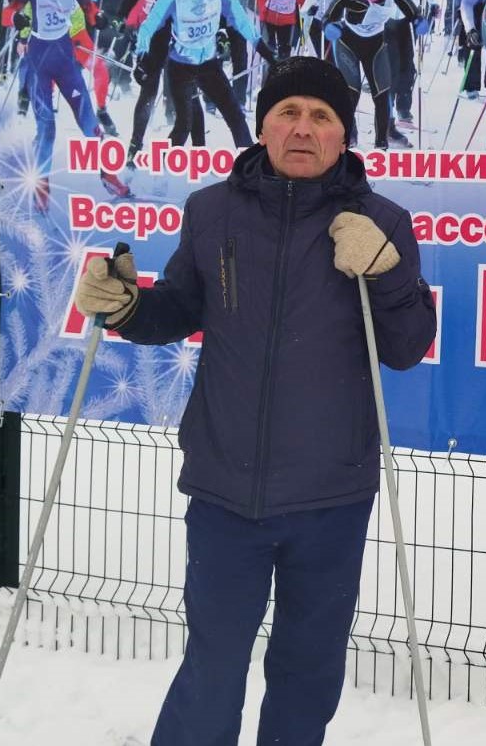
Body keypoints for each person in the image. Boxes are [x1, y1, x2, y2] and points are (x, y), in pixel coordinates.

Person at [72, 55, 436, 746]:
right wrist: (126, 307)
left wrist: (387, 273)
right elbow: (180, 305)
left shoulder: (380, 221)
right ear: (263, 128)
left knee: (307, 671)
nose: (303, 128)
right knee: (211, 668)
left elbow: (407, 345)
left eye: (321, 117)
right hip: (224, 488)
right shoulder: (212, 210)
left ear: (343, 136)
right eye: (287, 113)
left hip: (330, 496)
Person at [10, 0, 131, 209]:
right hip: (40, 61)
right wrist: (18, 23)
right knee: (47, 128)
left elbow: (89, 7)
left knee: (89, 122)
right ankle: (41, 186)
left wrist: (99, 18)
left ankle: (108, 175)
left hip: (66, 57)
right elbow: (12, 11)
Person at [135, 0, 271, 149]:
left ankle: (250, 161)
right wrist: (141, 55)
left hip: (208, 63)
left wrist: (263, 49)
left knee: (235, 114)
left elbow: (241, 20)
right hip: (181, 66)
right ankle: (162, 161)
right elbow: (148, 27)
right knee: (183, 125)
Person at [321, 0, 420, 150]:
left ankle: (381, 146)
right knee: (351, 93)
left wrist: (419, 21)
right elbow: (329, 15)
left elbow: (411, 10)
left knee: (382, 94)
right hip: (348, 43)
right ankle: (347, 140)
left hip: (375, 44)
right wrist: (329, 26)